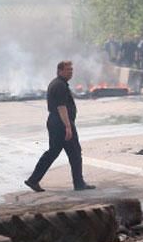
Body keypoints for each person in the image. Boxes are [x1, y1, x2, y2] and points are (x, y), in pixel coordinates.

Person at [25, 61, 95, 192]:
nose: (70, 72)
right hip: (61, 123)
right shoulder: (60, 86)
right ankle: (79, 184)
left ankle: (33, 180)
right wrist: (68, 127)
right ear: (60, 71)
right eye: (68, 69)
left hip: (56, 122)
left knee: (53, 152)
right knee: (74, 153)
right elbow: (61, 107)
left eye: (71, 70)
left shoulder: (58, 83)